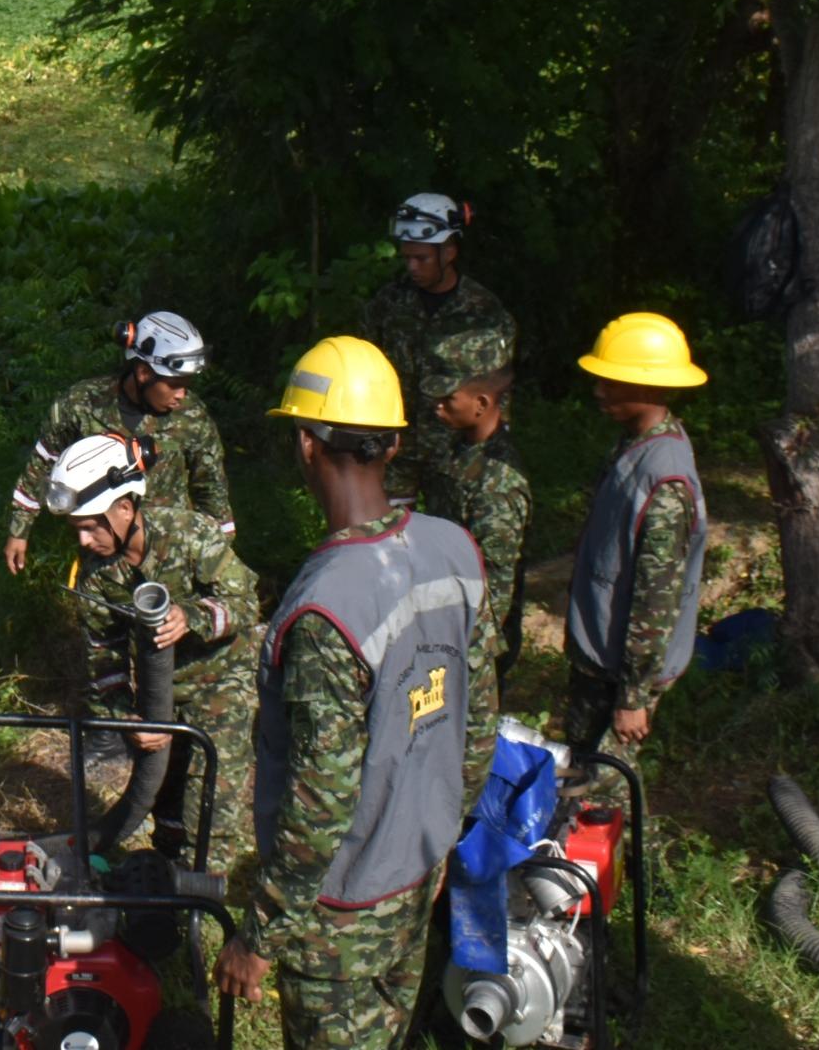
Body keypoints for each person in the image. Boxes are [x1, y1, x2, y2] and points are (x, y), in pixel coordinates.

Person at [215, 336, 488, 1048]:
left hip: (340, 905)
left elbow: (322, 797)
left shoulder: (325, 605)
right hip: (421, 869)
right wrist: (440, 830)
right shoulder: (452, 548)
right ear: (393, 443)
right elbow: (477, 718)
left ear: (305, 443)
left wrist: (258, 934)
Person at [46, 432, 265, 859]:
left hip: (222, 688)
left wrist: (193, 617)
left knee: (210, 818)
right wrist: (128, 718)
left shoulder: (190, 535)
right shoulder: (97, 576)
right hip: (158, 697)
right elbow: (103, 661)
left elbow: (246, 603)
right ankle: (163, 898)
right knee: (167, 812)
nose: (84, 541)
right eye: (77, 529)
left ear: (125, 509)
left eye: (91, 526)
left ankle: (205, 913)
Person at [563, 312, 707, 804]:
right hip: (601, 659)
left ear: (645, 385)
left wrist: (633, 699)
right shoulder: (634, 444)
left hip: (622, 675)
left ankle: (610, 877)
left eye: (609, 379)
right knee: (579, 775)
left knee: (601, 795)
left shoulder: (665, 483)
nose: (598, 388)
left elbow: (656, 602)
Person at [4, 311, 235, 575]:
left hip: (172, 557)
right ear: (144, 372)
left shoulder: (192, 418)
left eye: (186, 385)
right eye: (174, 385)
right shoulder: (82, 404)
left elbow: (211, 487)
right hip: (102, 557)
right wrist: (19, 531)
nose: (182, 395)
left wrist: (219, 554)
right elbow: (43, 462)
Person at [358, 193, 516, 505]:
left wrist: (490, 454)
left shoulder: (484, 312)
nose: (413, 267)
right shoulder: (388, 304)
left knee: (448, 544)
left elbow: (499, 389)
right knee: (390, 544)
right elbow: (365, 368)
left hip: (454, 458)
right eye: (407, 258)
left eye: (422, 258)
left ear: (449, 252)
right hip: (395, 452)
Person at [425, 346, 530, 794]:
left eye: (449, 400)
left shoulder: (499, 483)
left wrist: (472, 654)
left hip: (473, 638)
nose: (438, 407)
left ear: (482, 405)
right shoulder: (459, 450)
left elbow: (497, 583)